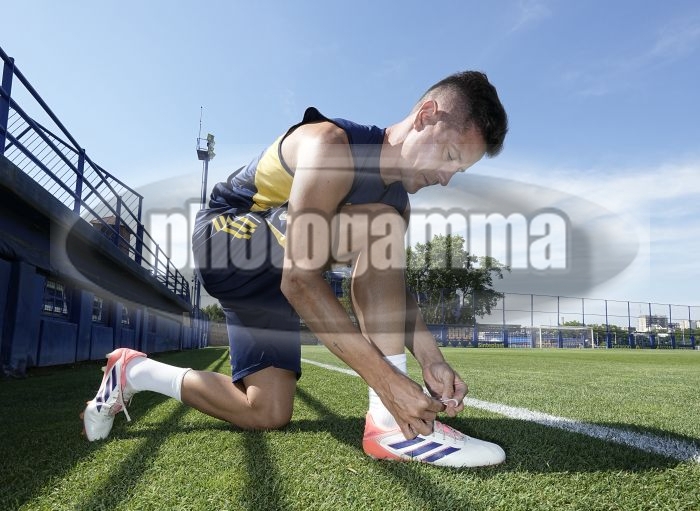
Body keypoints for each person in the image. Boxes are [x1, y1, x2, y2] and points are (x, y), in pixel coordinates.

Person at [82, 71, 509, 468]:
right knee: (380, 226)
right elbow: (301, 281)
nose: (446, 177)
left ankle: (133, 372)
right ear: (426, 115)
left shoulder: (397, 204)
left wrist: (433, 359)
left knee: (266, 411)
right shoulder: (332, 145)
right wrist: (388, 383)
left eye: (458, 170)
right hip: (227, 239)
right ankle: (389, 424)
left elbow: (387, 282)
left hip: (270, 279)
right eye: (449, 155)